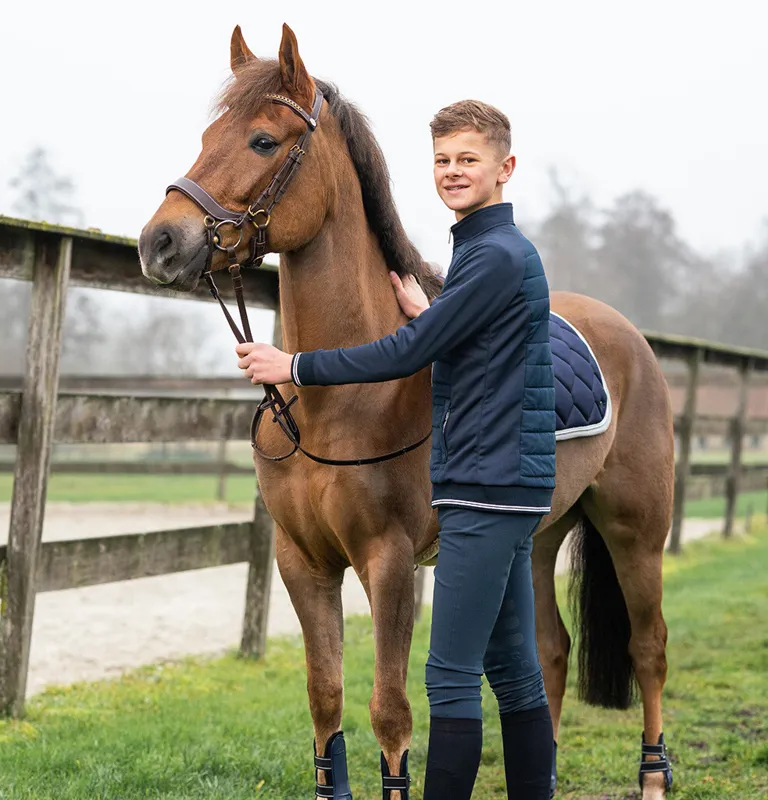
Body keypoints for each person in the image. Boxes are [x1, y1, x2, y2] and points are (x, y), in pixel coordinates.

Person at [237, 100, 556, 800]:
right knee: (514, 671)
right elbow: (462, 337)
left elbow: (411, 353)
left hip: (483, 486)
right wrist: (438, 313)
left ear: (505, 168)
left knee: (448, 677)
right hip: (502, 484)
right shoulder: (480, 251)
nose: (452, 172)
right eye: (442, 160)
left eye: (468, 159)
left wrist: (295, 367)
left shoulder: (495, 254)